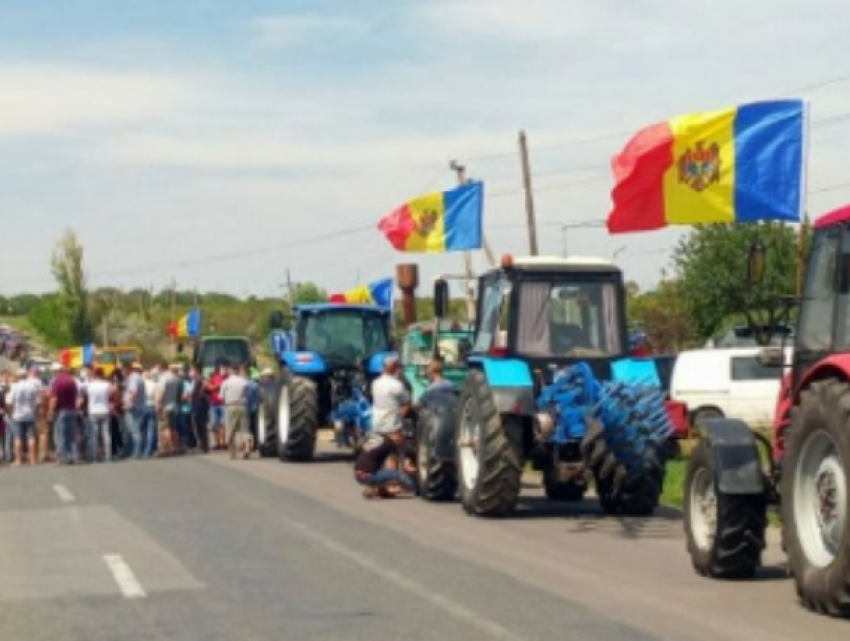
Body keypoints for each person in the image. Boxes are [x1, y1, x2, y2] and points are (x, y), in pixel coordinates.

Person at [354, 429, 416, 499]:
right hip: (368, 475)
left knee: (386, 473)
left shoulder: (380, 440)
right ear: (395, 436)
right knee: (397, 474)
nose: (402, 440)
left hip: (359, 475)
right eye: (401, 437)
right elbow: (403, 461)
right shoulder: (389, 443)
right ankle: (414, 489)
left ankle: (376, 490)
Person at [9, 367, 41, 466]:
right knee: (31, 437)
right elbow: (37, 401)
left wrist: (11, 411)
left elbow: (9, 401)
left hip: (18, 414)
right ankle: (32, 460)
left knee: (17, 437)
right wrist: (35, 411)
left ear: (18, 376)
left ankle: (18, 460)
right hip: (30, 414)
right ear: (26, 375)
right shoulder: (31, 386)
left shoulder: (15, 386)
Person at [371, 357, 411, 435]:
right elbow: (407, 404)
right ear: (395, 369)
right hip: (392, 427)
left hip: (377, 425)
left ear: (383, 368)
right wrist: (399, 417)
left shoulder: (375, 383)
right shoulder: (397, 385)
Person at [49, 362, 79, 465]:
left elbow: (54, 399)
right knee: (71, 435)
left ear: (56, 371)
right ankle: (73, 456)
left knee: (60, 435)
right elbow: (77, 396)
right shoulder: (72, 380)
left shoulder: (57, 382)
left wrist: (50, 412)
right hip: (72, 409)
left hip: (61, 410)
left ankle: (62, 458)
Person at [220, 364, 250, 459]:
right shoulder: (244, 382)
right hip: (242, 406)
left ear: (231, 371)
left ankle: (232, 453)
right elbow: (247, 393)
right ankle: (247, 448)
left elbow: (221, 396)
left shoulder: (226, 382)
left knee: (230, 429)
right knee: (244, 429)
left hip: (230, 406)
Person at [85, 367, 113, 462]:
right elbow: (111, 395)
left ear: (94, 374)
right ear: (102, 374)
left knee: (94, 435)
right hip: (104, 410)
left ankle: (93, 457)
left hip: (93, 411)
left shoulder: (89, 385)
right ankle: (108, 456)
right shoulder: (107, 384)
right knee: (106, 434)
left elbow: (86, 396)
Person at [122, 362, 146, 459]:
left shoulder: (133, 378)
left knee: (134, 431)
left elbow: (133, 392)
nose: (123, 373)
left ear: (127, 369)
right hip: (138, 406)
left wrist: (129, 404)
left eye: (123, 370)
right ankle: (128, 451)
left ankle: (136, 452)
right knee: (131, 431)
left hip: (133, 408)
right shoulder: (138, 377)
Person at [206, 361, 227, 450]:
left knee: (223, 424)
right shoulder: (212, 377)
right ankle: (217, 443)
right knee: (214, 424)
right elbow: (208, 387)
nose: (223, 370)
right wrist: (217, 386)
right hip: (213, 404)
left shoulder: (227, 378)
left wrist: (215, 386)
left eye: (224, 368)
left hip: (223, 403)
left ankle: (223, 443)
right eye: (222, 368)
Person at [189, 366, 209, 453]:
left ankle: (204, 446)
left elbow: (205, 387)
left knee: (201, 426)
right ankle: (202, 445)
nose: (190, 372)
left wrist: (200, 391)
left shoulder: (200, 380)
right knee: (198, 426)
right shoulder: (195, 380)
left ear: (196, 371)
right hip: (197, 405)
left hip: (200, 405)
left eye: (192, 370)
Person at [140, 368, 158, 458]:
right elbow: (156, 397)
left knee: (142, 429)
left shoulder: (142, 384)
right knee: (151, 430)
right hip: (152, 407)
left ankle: (141, 449)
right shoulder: (155, 384)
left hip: (143, 406)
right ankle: (148, 451)